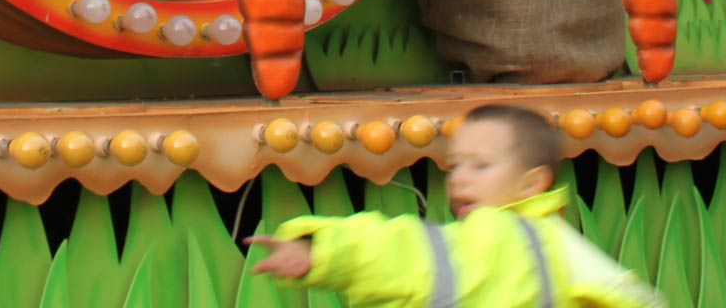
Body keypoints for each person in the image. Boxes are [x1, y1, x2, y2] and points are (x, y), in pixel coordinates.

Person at [247, 105, 663, 306]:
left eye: (480, 166)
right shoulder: (557, 244)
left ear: (531, 183)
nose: (459, 178)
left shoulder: (504, 238)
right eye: (455, 166)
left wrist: (322, 250)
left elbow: (405, 252)